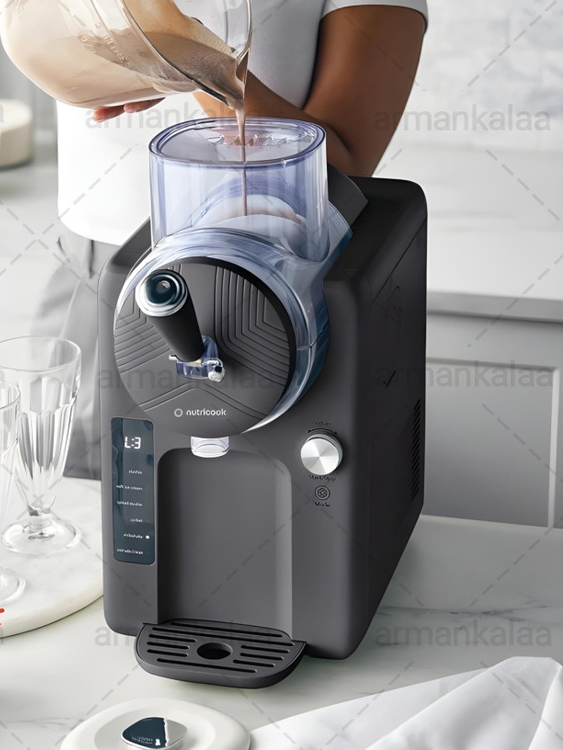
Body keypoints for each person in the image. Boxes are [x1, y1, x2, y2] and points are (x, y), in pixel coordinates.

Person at [37, 0, 428, 478]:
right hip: (97, 267)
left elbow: (340, 170)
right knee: (76, 488)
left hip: (281, 287)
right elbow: (39, 39)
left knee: (270, 495)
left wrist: (183, 53)